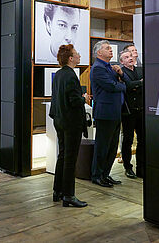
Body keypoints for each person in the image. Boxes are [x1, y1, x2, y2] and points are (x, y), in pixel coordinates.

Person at [49, 44, 89, 207]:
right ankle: (69, 195)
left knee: (63, 156)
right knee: (70, 159)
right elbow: (73, 101)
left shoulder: (59, 74)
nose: (79, 55)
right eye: (77, 54)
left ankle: (57, 191)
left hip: (59, 120)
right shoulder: (71, 75)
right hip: (71, 122)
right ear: (71, 58)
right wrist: (83, 98)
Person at [90, 40, 129, 187]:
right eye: (107, 48)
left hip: (114, 112)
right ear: (99, 52)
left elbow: (118, 82)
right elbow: (111, 86)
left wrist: (120, 78)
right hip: (105, 113)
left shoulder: (111, 67)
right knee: (103, 146)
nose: (110, 50)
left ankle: (105, 174)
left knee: (113, 147)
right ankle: (97, 175)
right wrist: (123, 86)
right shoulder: (98, 68)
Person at [119, 50, 144, 179]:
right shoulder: (121, 72)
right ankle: (128, 167)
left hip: (141, 110)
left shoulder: (140, 70)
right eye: (126, 57)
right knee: (128, 140)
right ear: (122, 61)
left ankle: (141, 167)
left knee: (142, 140)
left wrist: (136, 85)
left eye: (130, 56)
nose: (130, 58)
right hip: (128, 111)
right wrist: (139, 83)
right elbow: (128, 86)